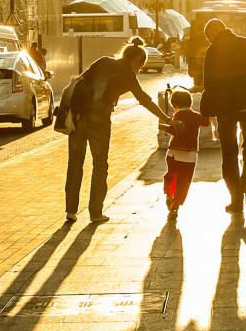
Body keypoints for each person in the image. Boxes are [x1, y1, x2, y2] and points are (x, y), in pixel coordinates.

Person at [65, 44, 174, 223]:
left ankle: (71, 211)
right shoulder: (128, 76)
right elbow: (145, 100)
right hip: (99, 120)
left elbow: (80, 82)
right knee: (100, 165)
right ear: (136, 60)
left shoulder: (103, 61)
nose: (140, 69)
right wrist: (165, 118)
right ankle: (95, 212)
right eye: (140, 65)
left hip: (78, 117)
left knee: (75, 163)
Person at [200, 19, 246, 213]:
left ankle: (236, 199)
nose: (209, 41)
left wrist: (206, 112)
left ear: (213, 33)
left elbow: (209, 83)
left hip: (226, 110)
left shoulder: (214, 50)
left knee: (229, 153)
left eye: (208, 37)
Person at [158, 88, 210, 218]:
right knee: (184, 181)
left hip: (174, 153)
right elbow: (206, 123)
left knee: (171, 175)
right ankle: (175, 206)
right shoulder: (195, 115)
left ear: (174, 105)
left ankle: (169, 195)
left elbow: (177, 131)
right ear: (190, 103)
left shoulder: (179, 114)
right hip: (190, 155)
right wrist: (206, 112)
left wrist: (162, 126)